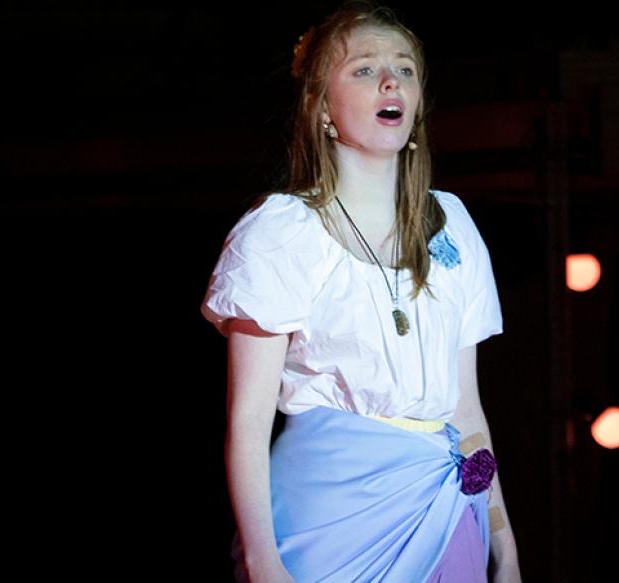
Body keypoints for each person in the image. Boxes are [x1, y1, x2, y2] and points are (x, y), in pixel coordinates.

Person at [200, 2, 522, 581]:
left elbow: (465, 407)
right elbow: (248, 418)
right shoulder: (282, 232)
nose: (390, 80)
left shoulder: (451, 225)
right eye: (365, 69)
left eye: (405, 69)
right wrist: (261, 558)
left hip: (441, 509)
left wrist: (505, 543)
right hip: (331, 516)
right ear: (322, 106)